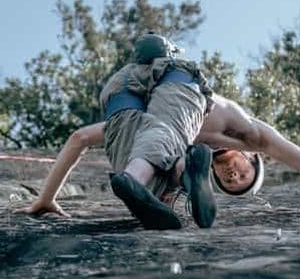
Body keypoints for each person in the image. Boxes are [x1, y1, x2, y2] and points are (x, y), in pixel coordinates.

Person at [16, 88, 300, 223]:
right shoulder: (255, 137)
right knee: (161, 160)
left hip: (157, 122)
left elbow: (80, 138)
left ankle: (172, 187)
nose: (233, 176)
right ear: (252, 161)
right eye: (241, 175)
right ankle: (169, 187)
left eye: (229, 182)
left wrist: (46, 198)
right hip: (187, 105)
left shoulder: (165, 139)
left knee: (159, 170)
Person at [15, 33, 218, 230]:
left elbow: (79, 138)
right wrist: (46, 199)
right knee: (168, 131)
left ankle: (138, 177)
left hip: (124, 89)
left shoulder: (131, 85)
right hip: (181, 77)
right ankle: (182, 169)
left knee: (150, 134)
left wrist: (46, 198)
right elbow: (79, 138)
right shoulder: (174, 70)